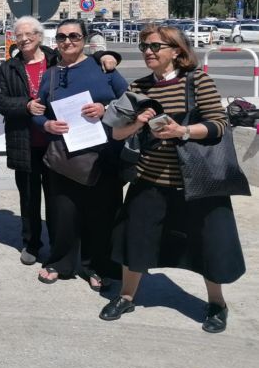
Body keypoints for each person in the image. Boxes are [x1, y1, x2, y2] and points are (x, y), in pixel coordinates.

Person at [102, 26, 245, 333]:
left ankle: (217, 303)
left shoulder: (197, 81)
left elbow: (219, 124)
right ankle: (126, 296)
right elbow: (117, 133)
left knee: (207, 244)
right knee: (135, 240)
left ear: (177, 51)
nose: (148, 51)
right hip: (149, 178)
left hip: (197, 181)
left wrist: (183, 131)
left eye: (155, 46)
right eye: (144, 46)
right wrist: (137, 123)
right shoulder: (139, 86)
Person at [0, 17, 121, 266]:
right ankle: (32, 243)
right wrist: (27, 106)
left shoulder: (55, 59)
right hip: (26, 142)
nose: (24, 39)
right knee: (29, 198)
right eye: (19, 35)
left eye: (30, 34)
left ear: (40, 36)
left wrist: (108, 56)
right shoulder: (9, 67)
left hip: (61, 145)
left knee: (59, 201)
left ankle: (59, 246)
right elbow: (1, 100)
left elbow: (86, 60)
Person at [33, 19, 128, 289]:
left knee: (101, 214)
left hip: (103, 155)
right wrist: (46, 125)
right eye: (61, 37)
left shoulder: (103, 67)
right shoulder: (51, 74)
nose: (68, 41)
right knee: (63, 213)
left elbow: (129, 102)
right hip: (64, 156)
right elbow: (38, 111)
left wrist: (105, 109)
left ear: (84, 39)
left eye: (74, 36)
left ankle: (96, 266)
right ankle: (60, 262)